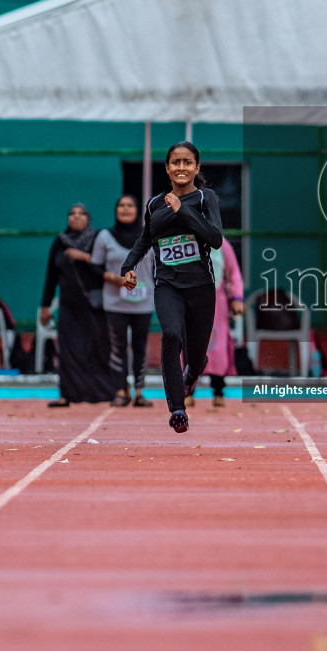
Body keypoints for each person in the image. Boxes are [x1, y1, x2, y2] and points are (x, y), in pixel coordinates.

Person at [119, 141, 224, 433]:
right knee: (171, 334)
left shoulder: (206, 198)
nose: (181, 167)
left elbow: (215, 238)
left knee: (196, 356)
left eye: (187, 162)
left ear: (196, 168)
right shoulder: (154, 205)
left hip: (201, 286)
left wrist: (183, 211)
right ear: (167, 168)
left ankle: (192, 372)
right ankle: (177, 408)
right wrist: (128, 267)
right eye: (175, 162)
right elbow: (145, 240)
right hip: (168, 285)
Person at [41, 203, 114, 408]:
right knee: (68, 351)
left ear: (88, 218)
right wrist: (44, 306)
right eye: (72, 214)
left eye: (81, 214)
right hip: (69, 306)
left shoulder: (98, 239)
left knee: (98, 349)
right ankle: (67, 394)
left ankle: (102, 393)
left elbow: (110, 266)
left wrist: (85, 257)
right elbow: (51, 275)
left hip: (96, 306)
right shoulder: (60, 242)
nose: (76, 217)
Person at [94, 195, 156, 408]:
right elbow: (94, 267)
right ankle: (121, 391)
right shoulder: (104, 237)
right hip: (115, 302)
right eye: (121, 205)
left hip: (144, 301)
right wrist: (114, 279)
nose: (126, 209)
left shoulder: (149, 235)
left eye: (130, 205)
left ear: (137, 211)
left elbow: (159, 267)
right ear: (116, 210)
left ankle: (139, 391)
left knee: (140, 346)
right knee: (118, 346)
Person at [190, 238, 245, 407]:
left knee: (218, 346)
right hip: (190, 300)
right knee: (190, 345)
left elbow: (233, 272)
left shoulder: (221, 243)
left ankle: (218, 390)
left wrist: (236, 298)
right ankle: (187, 392)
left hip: (217, 302)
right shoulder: (182, 238)